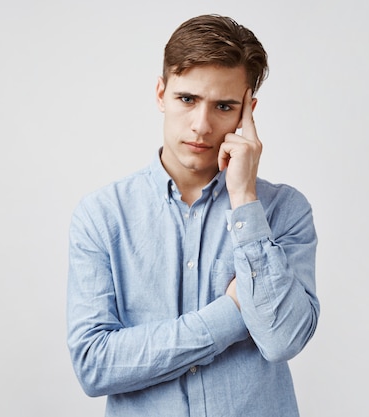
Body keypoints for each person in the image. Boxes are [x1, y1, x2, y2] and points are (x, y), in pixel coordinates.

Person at [67, 14, 320, 417]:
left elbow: (282, 339)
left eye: (223, 106)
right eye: (187, 99)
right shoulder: (103, 215)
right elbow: (95, 366)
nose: (201, 126)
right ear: (160, 94)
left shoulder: (283, 211)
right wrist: (231, 313)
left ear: (247, 113)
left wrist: (243, 198)